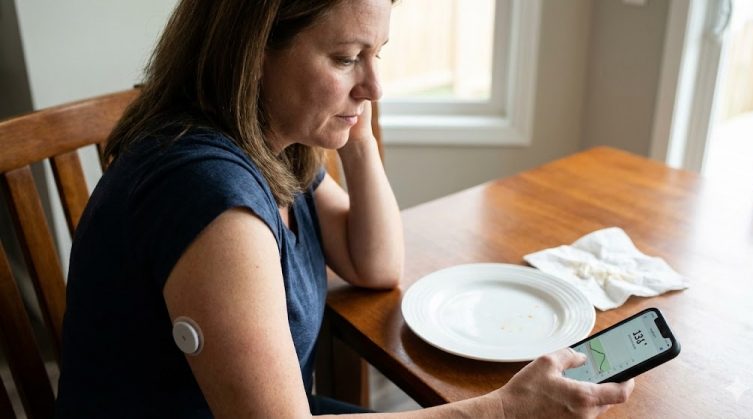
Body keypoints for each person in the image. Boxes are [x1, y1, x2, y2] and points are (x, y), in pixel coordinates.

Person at [55, 0, 634, 417]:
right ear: (253, 53)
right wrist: (504, 411)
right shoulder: (211, 201)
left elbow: (374, 263)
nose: (375, 85)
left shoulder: (272, 139)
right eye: (346, 57)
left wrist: (355, 133)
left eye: (378, 53)